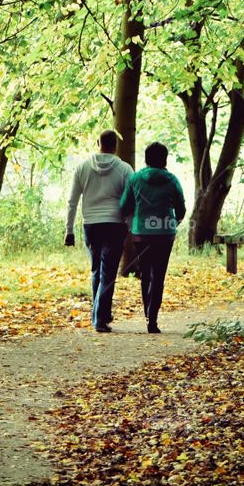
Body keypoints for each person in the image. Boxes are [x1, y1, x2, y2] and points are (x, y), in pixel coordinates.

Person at [65, 129, 133, 333]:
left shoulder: (82, 167)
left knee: (97, 271)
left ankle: (100, 314)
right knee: (108, 273)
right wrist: (130, 225)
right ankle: (100, 318)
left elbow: (72, 201)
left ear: (97, 143)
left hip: (91, 225)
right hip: (115, 224)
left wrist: (69, 229)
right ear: (116, 146)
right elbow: (130, 200)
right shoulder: (124, 168)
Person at [119, 141, 186, 334]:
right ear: (165, 159)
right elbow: (181, 208)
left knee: (145, 274)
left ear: (146, 158)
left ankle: (147, 314)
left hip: (141, 234)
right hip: (165, 233)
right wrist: (175, 221)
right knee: (159, 275)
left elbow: (124, 205)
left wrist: (134, 221)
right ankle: (153, 320)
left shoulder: (135, 178)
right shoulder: (172, 180)